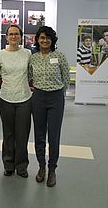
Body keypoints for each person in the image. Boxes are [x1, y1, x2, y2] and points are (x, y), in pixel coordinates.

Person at [29, 26, 69, 187]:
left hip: (56, 98)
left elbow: (66, 79)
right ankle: (41, 167)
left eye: (47, 38)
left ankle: (52, 169)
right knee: (39, 135)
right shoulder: (33, 58)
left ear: (52, 40)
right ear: (37, 40)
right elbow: (28, 76)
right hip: (38, 97)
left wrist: (60, 95)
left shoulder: (59, 56)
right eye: (41, 38)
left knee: (54, 136)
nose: (44, 41)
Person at [0, 24, 32, 178]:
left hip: (24, 98)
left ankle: (22, 166)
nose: (13, 36)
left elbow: (31, 73)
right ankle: (9, 164)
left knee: (22, 135)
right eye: (10, 34)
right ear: (6, 36)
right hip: (5, 98)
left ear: (21, 36)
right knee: (8, 134)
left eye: (16, 34)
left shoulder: (28, 53)